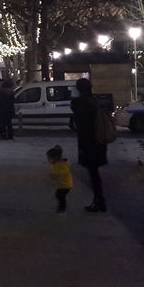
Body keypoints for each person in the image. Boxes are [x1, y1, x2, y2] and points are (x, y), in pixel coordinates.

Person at [70, 78, 107, 212]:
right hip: (98, 141)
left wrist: (83, 149)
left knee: (93, 173)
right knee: (94, 173)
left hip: (89, 143)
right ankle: (99, 200)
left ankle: (99, 200)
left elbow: (82, 126)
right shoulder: (94, 100)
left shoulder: (81, 103)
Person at [46, 145, 73, 213]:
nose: (48, 160)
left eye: (49, 158)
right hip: (62, 184)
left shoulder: (61, 164)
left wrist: (56, 175)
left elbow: (65, 171)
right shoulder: (56, 163)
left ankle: (62, 208)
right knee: (59, 195)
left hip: (66, 185)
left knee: (60, 195)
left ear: (55, 158)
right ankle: (62, 207)